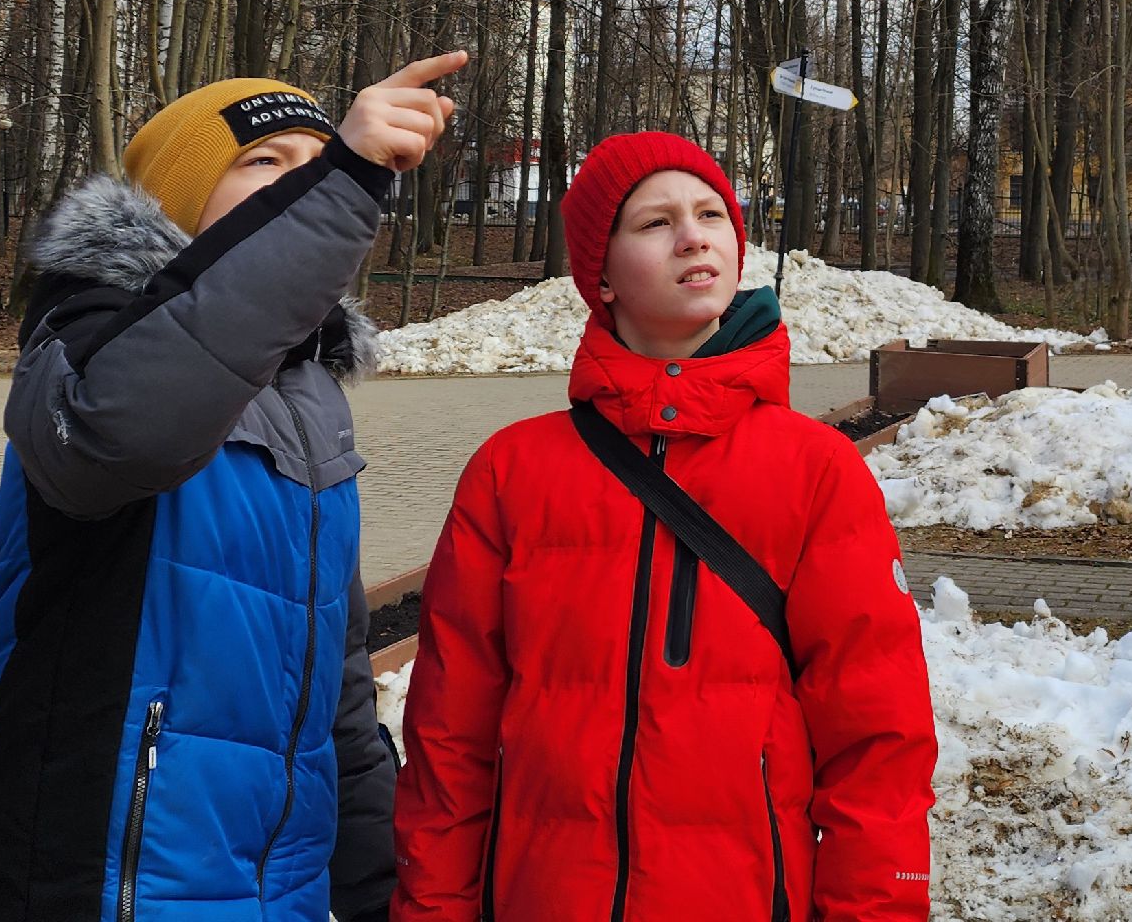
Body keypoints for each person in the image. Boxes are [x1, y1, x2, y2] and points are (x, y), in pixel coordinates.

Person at [0, 52, 468, 922]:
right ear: (179, 198)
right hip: (90, 877)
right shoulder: (87, 331)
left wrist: (378, 889)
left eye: (314, 160)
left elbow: (338, 683)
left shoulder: (311, 395)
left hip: (264, 885)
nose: (303, 180)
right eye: (265, 161)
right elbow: (128, 429)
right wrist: (347, 175)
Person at [392, 132, 937, 921]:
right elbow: (450, 736)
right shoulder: (511, 472)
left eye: (711, 213)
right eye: (654, 222)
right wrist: (432, 908)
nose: (694, 235)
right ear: (600, 276)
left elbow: (878, 739)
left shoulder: (816, 468)